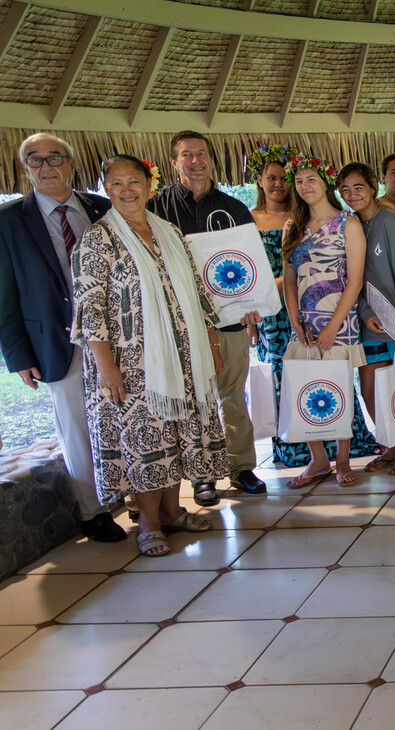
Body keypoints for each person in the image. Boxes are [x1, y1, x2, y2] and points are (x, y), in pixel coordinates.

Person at [71, 155, 226, 556]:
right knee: (146, 439)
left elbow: (197, 291)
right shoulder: (98, 238)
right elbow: (91, 307)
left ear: (149, 185)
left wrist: (211, 346)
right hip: (130, 364)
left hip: (184, 356)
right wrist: (106, 366)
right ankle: (150, 523)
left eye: (134, 182)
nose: (126, 190)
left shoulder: (169, 231)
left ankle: (173, 512)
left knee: (175, 433)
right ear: (107, 189)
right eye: (117, 183)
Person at [0, 133, 124, 542]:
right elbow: (3, 294)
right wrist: (17, 354)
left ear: (72, 163)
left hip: (119, 335)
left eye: (55, 157)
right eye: (35, 160)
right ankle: (95, 511)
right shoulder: (8, 221)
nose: (46, 166)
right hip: (56, 341)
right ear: (26, 169)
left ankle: (138, 497)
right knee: (76, 428)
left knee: (126, 418)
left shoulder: (103, 208)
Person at [148, 130, 265, 505]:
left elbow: (252, 263)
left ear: (211, 159)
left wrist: (252, 308)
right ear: (173, 161)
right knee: (194, 400)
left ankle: (241, 467)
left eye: (201, 153)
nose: (195, 161)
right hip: (181, 323)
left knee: (233, 395)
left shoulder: (234, 208)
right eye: (186, 155)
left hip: (230, 319)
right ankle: (201, 475)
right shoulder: (156, 209)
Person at [338, 163, 395, 475]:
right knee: (370, 388)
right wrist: (366, 314)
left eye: (358, 187)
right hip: (372, 321)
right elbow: (352, 278)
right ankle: (392, 447)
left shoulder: (388, 220)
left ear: (373, 187)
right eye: (345, 189)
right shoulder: (349, 224)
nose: (352, 194)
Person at [281, 154, 366, 488]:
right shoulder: (293, 226)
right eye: (299, 181)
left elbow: (355, 280)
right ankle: (318, 460)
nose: (304, 186)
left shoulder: (349, 223)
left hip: (338, 320)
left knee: (338, 387)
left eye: (311, 179)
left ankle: (343, 459)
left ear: (326, 182)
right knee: (304, 387)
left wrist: (333, 326)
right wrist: (294, 321)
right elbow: (289, 278)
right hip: (301, 322)